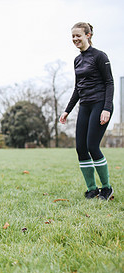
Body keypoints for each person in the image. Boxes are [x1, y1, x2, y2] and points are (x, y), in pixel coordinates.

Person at [59, 22, 114, 200]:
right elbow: (78, 88)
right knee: (81, 148)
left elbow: (109, 83)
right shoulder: (77, 60)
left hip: (100, 103)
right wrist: (67, 110)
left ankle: (106, 188)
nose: (75, 39)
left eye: (78, 36)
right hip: (85, 105)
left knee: (92, 146)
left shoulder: (99, 56)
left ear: (88, 35)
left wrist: (106, 107)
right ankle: (92, 189)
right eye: (73, 36)